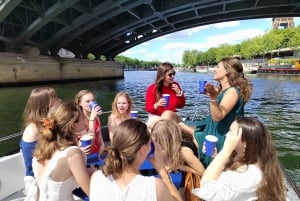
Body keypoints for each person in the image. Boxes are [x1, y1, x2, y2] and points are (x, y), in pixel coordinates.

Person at [179, 57, 252, 167]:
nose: (215, 69)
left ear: (227, 71)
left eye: (218, 67)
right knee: (178, 126)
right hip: (213, 131)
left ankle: (203, 175)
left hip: (219, 137)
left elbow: (218, 116)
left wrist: (213, 98)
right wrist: (213, 96)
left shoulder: (232, 91)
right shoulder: (223, 90)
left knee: (179, 131)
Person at [192, 117, 286, 201]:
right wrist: (217, 157)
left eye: (232, 133)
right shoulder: (261, 163)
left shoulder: (248, 175)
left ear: (245, 143)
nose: (226, 135)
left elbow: (205, 190)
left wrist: (225, 152)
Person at [90, 119, 183, 201]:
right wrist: (162, 170)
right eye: (150, 143)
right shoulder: (154, 187)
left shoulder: (97, 178)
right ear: (143, 150)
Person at [32, 101, 91, 201]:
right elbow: (91, 192)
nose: (85, 119)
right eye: (82, 117)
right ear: (73, 125)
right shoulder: (73, 154)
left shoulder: (43, 149)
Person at [20, 87, 61, 177]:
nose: (60, 100)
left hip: (56, 171)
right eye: (56, 99)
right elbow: (32, 166)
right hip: (41, 180)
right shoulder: (32, 132)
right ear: (46, 105)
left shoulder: (50, 122)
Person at [145, 62, 185, 127]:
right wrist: (156, 105)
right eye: (170, 74)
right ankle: (193, 133)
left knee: (167, 113)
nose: (173, 76)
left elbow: (181, 105)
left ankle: (154, 126)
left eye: (173, 74)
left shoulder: (175, 86)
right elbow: (148, 108)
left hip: (171, 116)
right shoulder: (152, 88)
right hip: (155, 117)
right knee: (178, 125)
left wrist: (179, 93)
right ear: (163, 76)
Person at [75, 90, 105, 155]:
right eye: (87, 101)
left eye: (93, 101)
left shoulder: (96, 116)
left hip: (97, 152)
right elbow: (90, 140)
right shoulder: (78, 120)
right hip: (85, 154)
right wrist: (92, 119)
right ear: (79, 103)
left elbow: (99, 134)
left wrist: (102, 145)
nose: (91, 104)